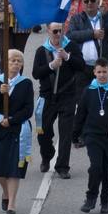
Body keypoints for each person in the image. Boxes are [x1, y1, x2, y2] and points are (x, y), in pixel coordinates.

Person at [72, 58, 108, 214]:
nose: (102, 75)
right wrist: (75, 136)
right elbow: (81, 114)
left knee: (107, 168)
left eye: (104, 72)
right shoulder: (88, 91)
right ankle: (90, 198)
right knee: (96, 167)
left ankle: (106, 200)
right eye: (99, 72)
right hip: (92, 135)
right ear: (94, 73)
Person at [0, 49, 34, 214]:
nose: (15, 63)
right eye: (12, 60)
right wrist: (0, 93)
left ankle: (12, 203)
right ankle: (5, 191)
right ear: (5, 63)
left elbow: (28, 109)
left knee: (14, 168)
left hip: (17, 129)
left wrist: (12, 120)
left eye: (18, 61)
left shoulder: (25, 83)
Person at [32, 21, 85, 177]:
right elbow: (36, 73)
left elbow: (81, 65)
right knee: (44, 131)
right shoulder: (41, 51)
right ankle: (47, 156)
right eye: (55, 31)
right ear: (48, 31)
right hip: (47, 96)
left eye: (60, 31)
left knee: (66, 132)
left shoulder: (71, 47)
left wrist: (67, 57)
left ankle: (62, 166)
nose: (58, 35)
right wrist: (51, 66)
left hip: (67, 95)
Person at [68, 0, 108, 109]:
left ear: (98, 2)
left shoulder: (104, 17)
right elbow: (71, 35)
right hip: (82, 66)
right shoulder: (77, 18)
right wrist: (92, 34)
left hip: (101, 67)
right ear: (82, 3)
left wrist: (107, 15)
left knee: (102, 100)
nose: (89, 3)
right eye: (86, 1)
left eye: (92, 1)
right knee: (82, 101)